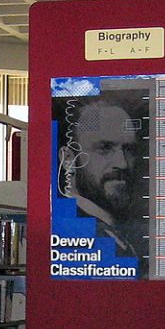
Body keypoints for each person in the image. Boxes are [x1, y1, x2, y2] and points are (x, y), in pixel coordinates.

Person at [57, 95, 149, 268]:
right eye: (105, 148)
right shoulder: (70, 232)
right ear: (68, 158)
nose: (122, 163)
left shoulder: (117, 231)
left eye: (129, 150)